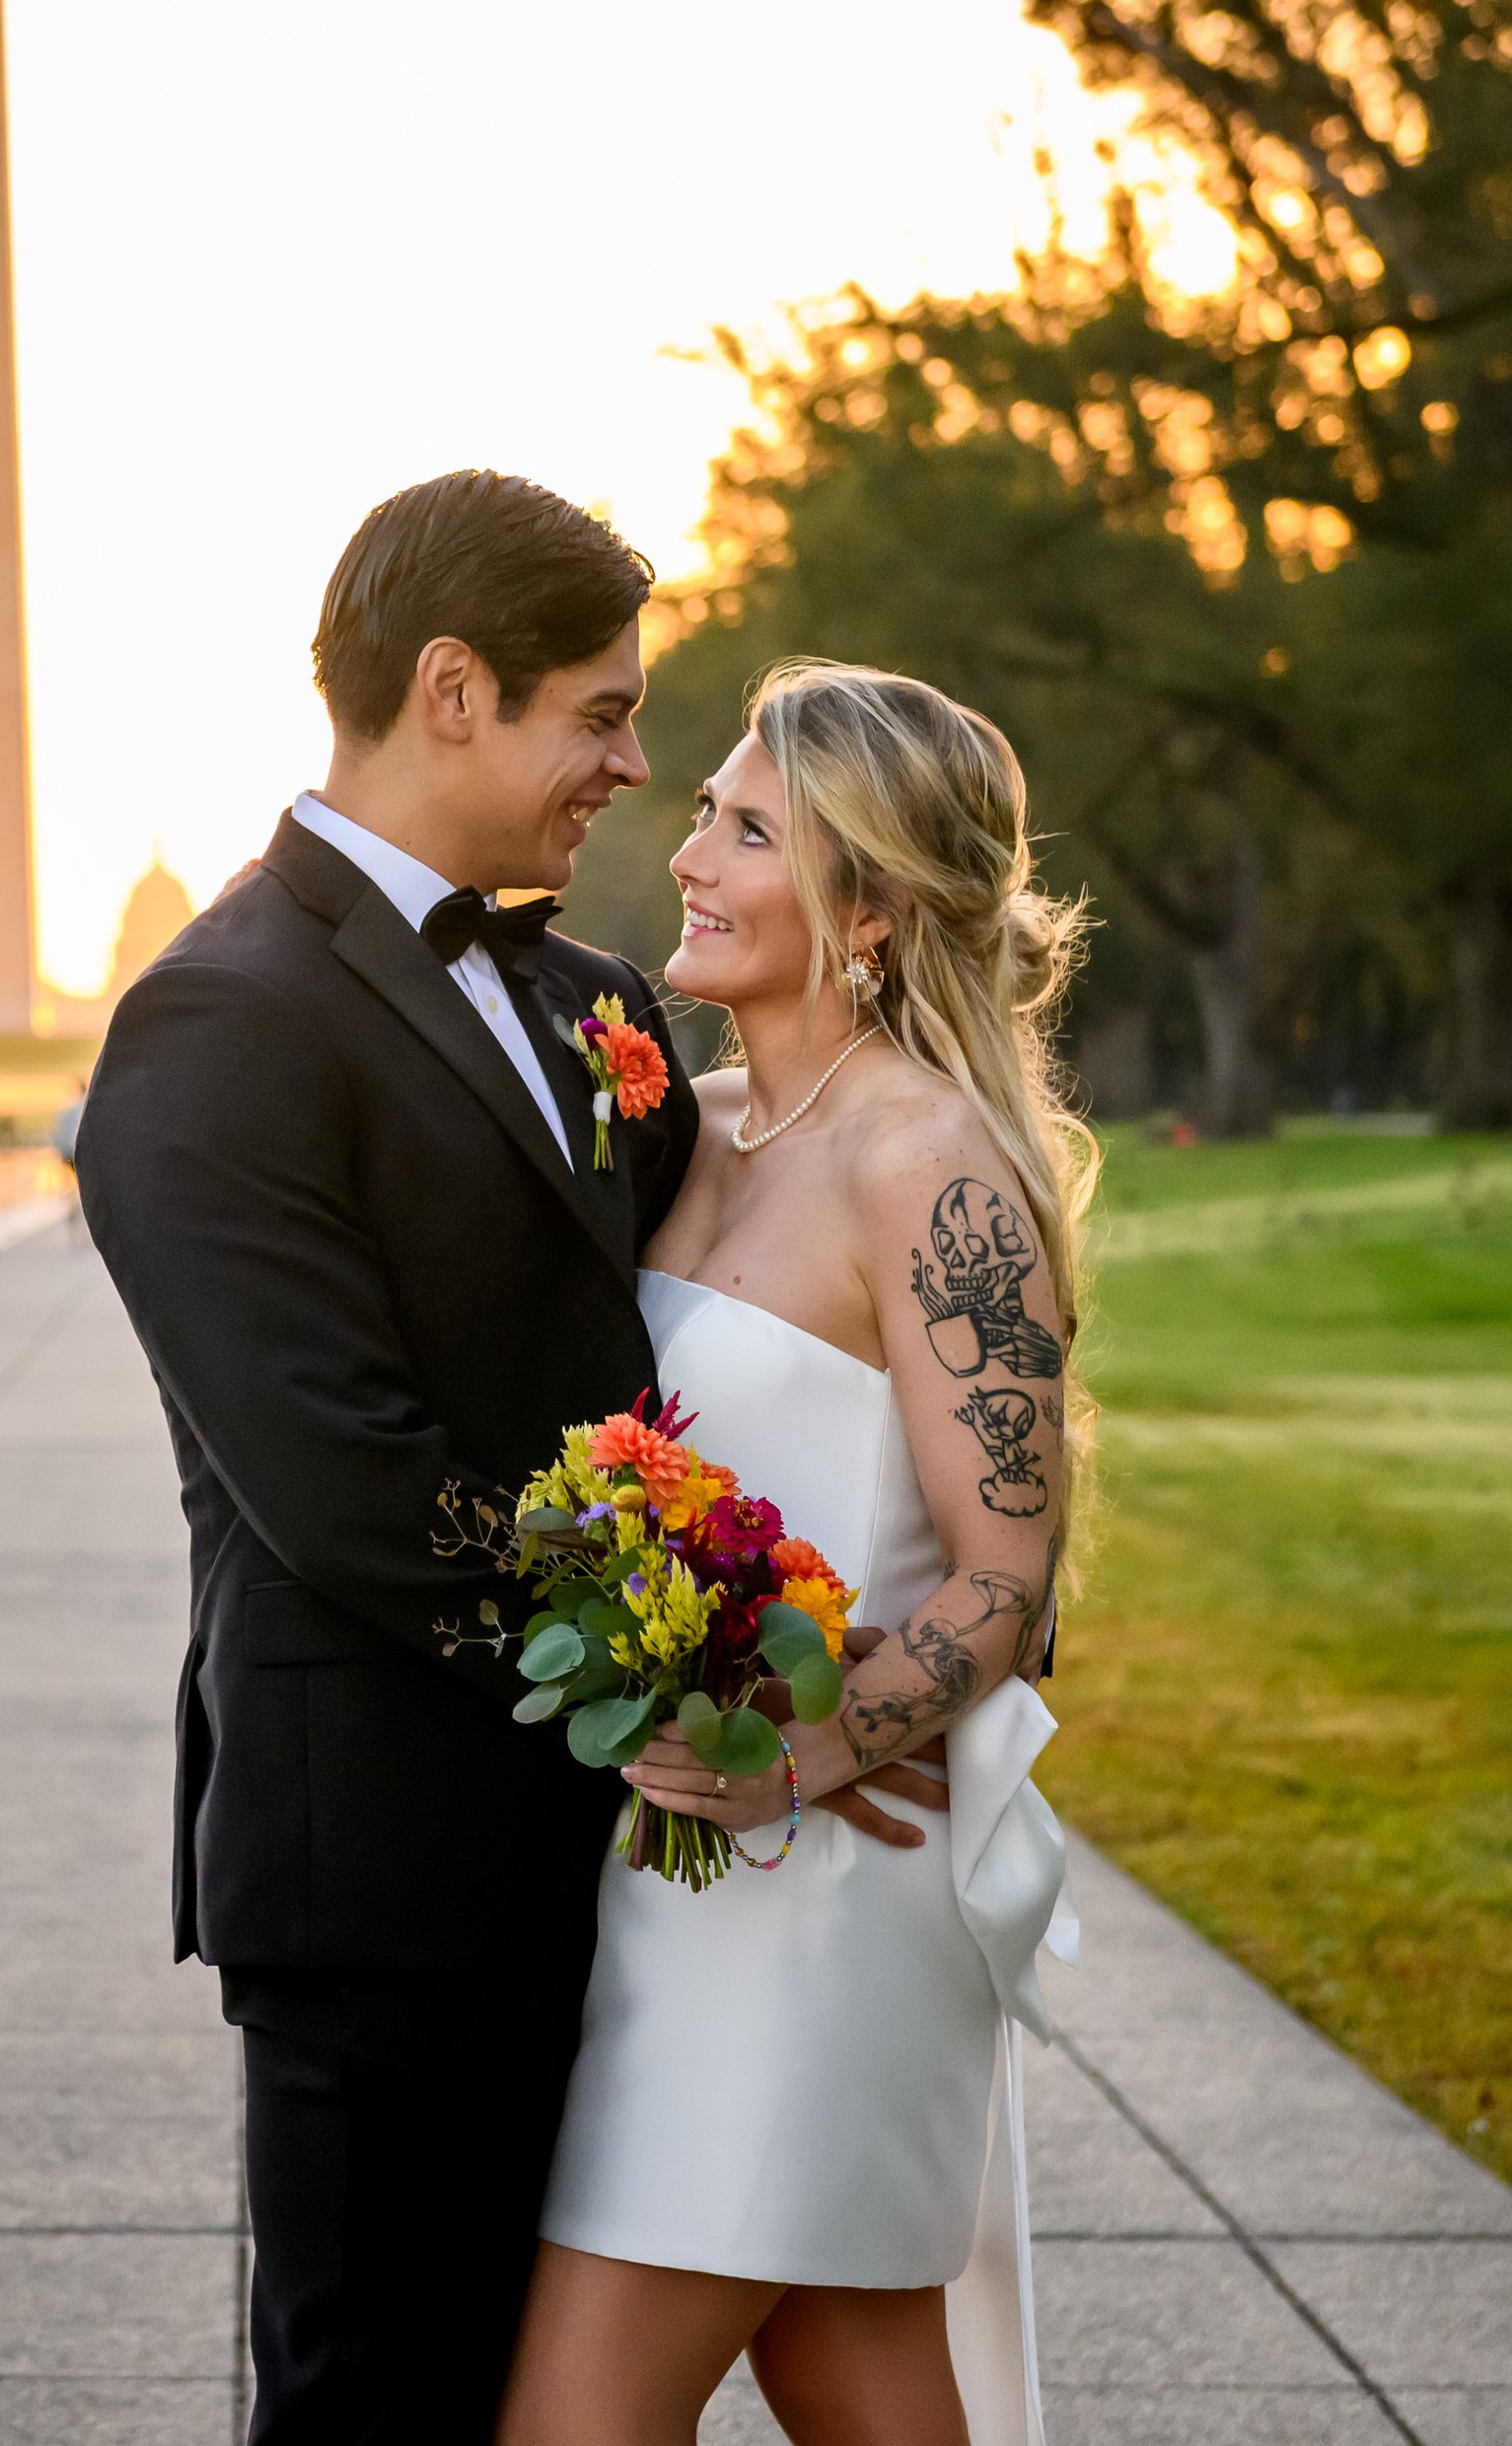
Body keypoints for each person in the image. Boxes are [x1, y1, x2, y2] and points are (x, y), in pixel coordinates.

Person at [75, 479, 933, 2445]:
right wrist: (731, 1693)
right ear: (451, 691)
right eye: (601, 715)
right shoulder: (214, 1028)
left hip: (649, 1874)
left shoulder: (599, 1002)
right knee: (390, 2404)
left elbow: (758, 1328)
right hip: (391, 1876)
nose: (635, 769)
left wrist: (892, 1671)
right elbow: (348, 1487)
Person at [500, 661, 1091, 2446]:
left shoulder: (932, 1168)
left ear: (873, 907)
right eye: (708, 811)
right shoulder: (689, 1121)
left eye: (749, 831)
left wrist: (820, 1742)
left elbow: (1009, 1577)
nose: (689, 849)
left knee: (574, 2423)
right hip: (671, 1867)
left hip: (818, 1887)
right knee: (850, 2366)